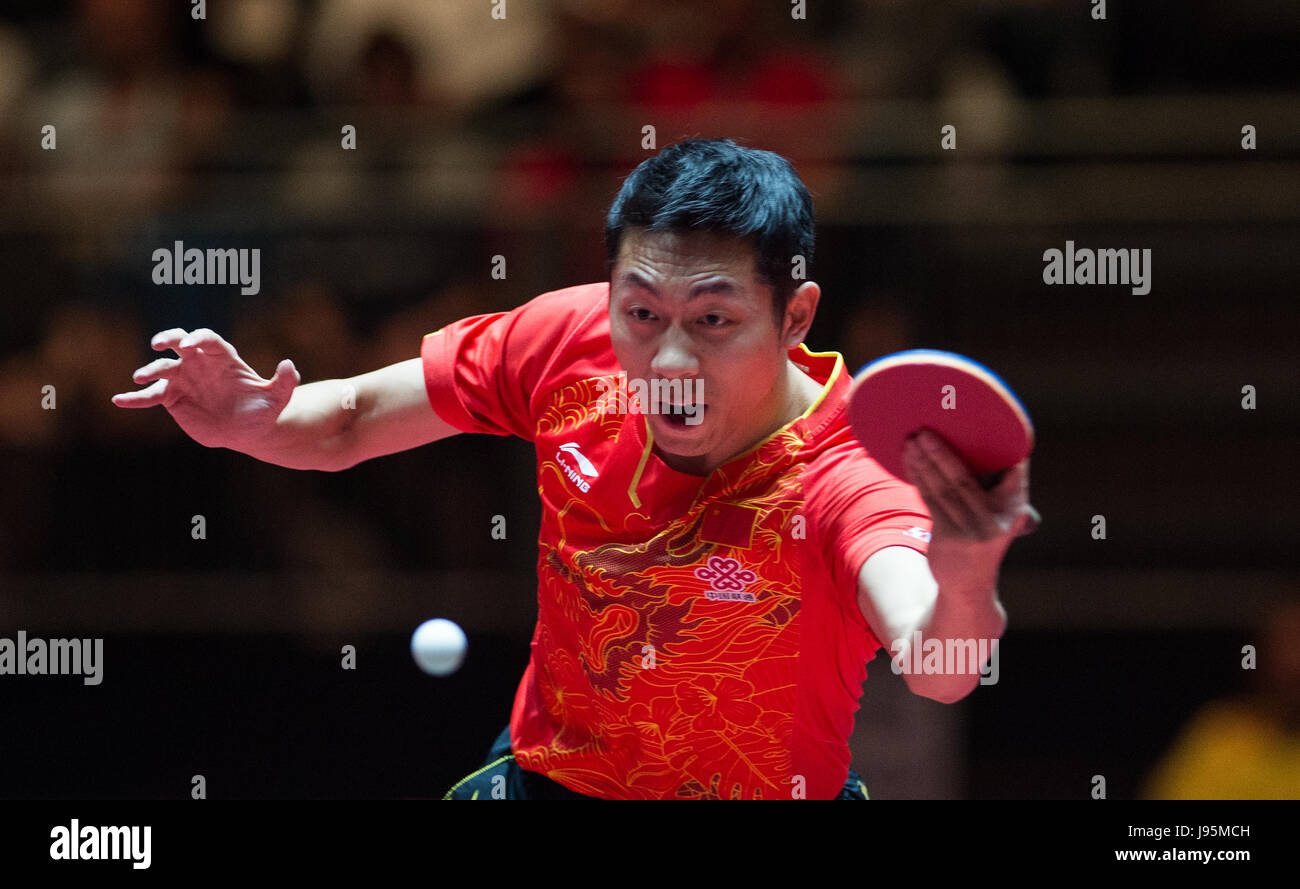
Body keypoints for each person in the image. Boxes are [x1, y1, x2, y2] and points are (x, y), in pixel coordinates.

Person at [113, 138, 1037, 799]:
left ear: (795, 316)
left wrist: (964, 569)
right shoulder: (570, 340)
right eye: (642, 312)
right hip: (552, 781)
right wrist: (247, 421)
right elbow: (349, 418)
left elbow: (941, 665)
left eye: (713, 320)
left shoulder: (844, 477)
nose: (668, 358)